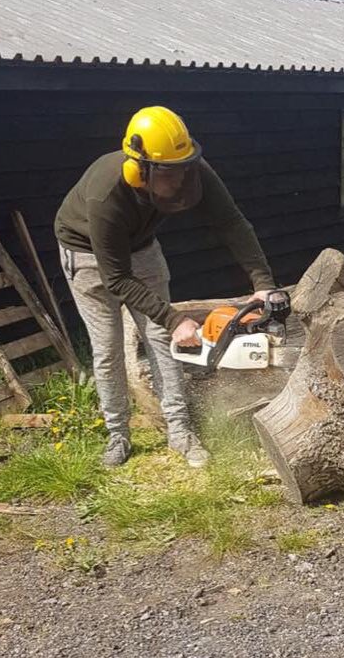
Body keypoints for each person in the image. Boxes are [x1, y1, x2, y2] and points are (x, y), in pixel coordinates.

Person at [54, 106, 275, 467]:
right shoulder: (106, 195)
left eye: (184, 167)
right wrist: (174, 318)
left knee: (161, 338)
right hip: (87, 255)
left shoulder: (189, 169)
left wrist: (262, 282)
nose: (181, 179)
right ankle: (117, 435)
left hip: (142, 247)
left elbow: (231, 222)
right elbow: (116, 278)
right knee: (108, 349)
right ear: (139, 169)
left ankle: (180, 432)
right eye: (170, 173)